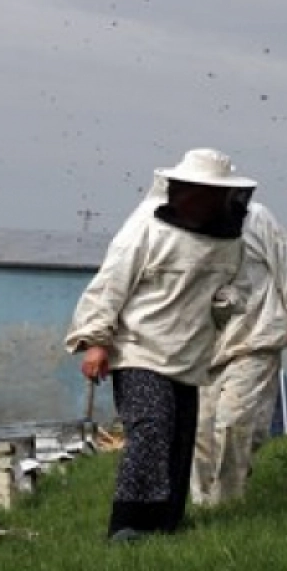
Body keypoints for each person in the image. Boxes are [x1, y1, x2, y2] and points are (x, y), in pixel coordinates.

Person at [66, 148, 254, 542]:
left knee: (179, 441)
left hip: (189, 356)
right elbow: (111, 283)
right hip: (138, 347)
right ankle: (127, 524)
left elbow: (241, 287)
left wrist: (227, 301)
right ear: (181, 189)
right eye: (198, 190)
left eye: (213, 193)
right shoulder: (146, 230)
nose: (204, 199)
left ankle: (165, 527)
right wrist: (96, 341)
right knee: (151, 428)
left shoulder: (231, 243)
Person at [189, 189, 287, 507]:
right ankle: (203, 506)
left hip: (257, 337)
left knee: (233, 423)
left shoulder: (258, 219)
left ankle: (227, 504)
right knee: (200, 429)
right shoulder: (187, 228)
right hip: (208, 348)